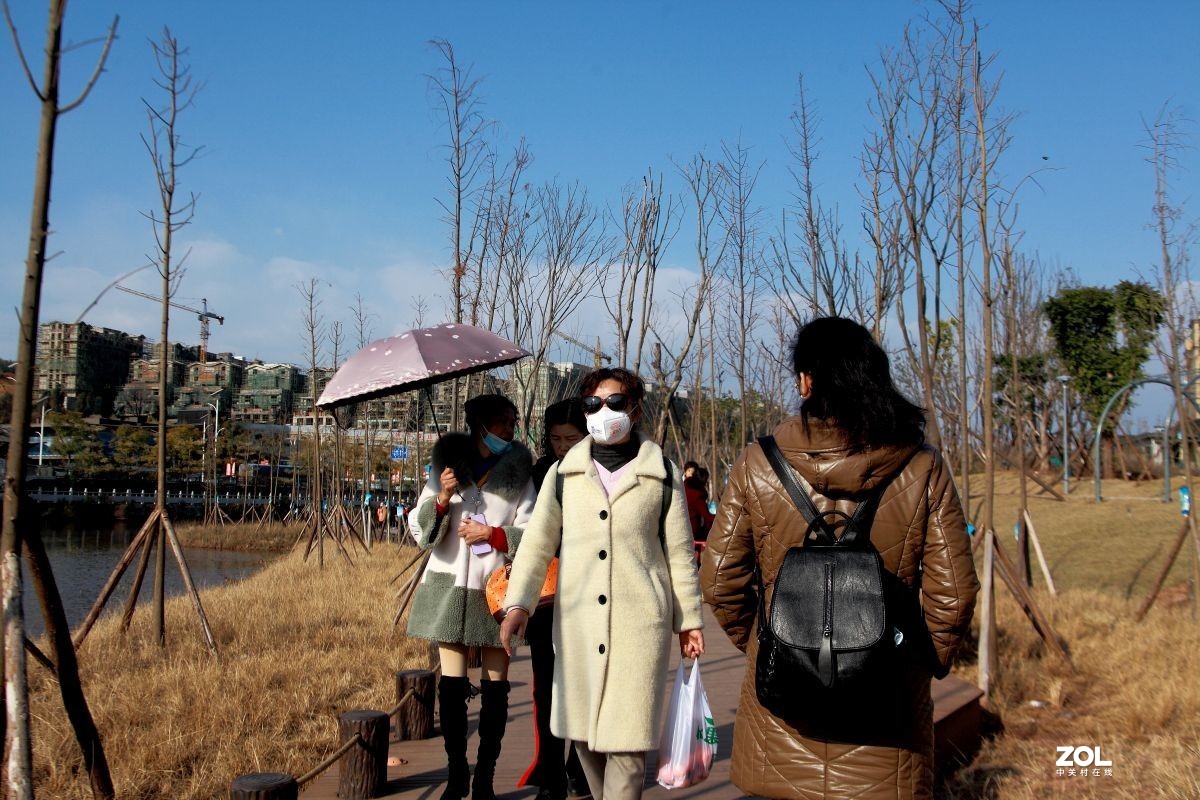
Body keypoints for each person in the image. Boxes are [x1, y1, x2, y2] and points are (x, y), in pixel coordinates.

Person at [699, 317, 979, 800]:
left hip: (780, 728)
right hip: (886, 728)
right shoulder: (920, 465)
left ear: (806, 381)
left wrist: (776, 649)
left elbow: (720, 579)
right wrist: (909, 665)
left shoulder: (758, 463)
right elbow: (953, 595)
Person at [500, 368, 705, 800]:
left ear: (635, 409)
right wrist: (518, 603)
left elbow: (681, 555)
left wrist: (689, 621)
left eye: (614, 403)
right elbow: (537, 545)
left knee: (628, 752)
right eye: (593, 405)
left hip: (640, 629)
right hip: (576, 627)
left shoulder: (662, 474)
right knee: (586, 740)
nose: (603, 412)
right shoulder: (562, 475)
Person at [407, 393, 537, 800]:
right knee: (451, 685)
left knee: (497, 685)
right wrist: (442, 499)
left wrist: (493, 535)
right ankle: (456, 773)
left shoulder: (519, 472)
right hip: (449, 588)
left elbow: (534, 535)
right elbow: (420, 530)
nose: (509, 428)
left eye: (512, 421)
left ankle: (485, 778)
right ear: (479, 424)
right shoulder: (445, 466)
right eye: (502, 421)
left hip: (497, 591)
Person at [520, 398, 592, 800]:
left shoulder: (600, 471)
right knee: (545, 686)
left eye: (571, 438)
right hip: (547, 594)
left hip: (588, 594)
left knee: (582, 683)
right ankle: (550, 774)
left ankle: (578, 766)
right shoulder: (540, 473)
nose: (563, 446)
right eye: (555, 438)